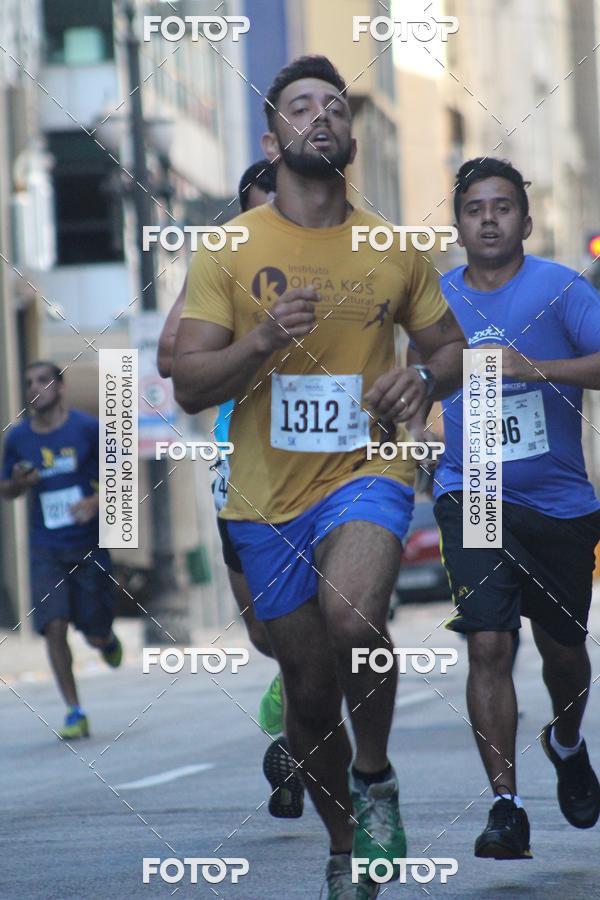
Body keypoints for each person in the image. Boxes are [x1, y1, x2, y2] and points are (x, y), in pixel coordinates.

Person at [173, 55, 466, 898]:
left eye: (335, 107)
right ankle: (345, 843)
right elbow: (188, 383)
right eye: (301, 107)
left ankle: (375, 776)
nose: (321, 117)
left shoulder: (393, 247)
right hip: (265, 495)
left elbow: (449, 347)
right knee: (305, 693)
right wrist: (262, 340)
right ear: (273, 142)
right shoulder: (229, 249)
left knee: (353, 616)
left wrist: (426, 377)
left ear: (352, 138)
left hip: (368, 467)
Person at [415, 157, 600, 860]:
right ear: (459, 226)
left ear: (525, 220)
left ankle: (567, 742)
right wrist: (417, 431)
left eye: (502, 207)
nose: (488, 219)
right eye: (474, 209)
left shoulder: (562, 289)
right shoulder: (434, 301)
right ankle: (505, 806)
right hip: (475, 493)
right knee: (488, 643)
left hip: (558, 503)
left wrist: (533, 367)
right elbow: (411, 382)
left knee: (564, 655)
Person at [157, 160, 305, 819]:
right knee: (267, 633)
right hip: (240, 459)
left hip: (325, 461)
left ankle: (301, 748)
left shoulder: (338, 254)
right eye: (256, 209)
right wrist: (250, 337)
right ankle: (294, 680)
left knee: (325, 615)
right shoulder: (221, 263)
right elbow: (170, 357)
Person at [0, 361, 122, 739]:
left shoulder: (87, 429)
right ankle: (74, 711)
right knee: (54, 626)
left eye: (42, 380)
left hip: (88, 545)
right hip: (45, 548)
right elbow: (6, 490)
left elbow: (120, 476)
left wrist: (96, 501)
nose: (33, 388)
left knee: (95, 632)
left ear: (61, 387)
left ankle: (105, 640)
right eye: (28, 382)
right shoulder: (18, 439)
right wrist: (18, 483)